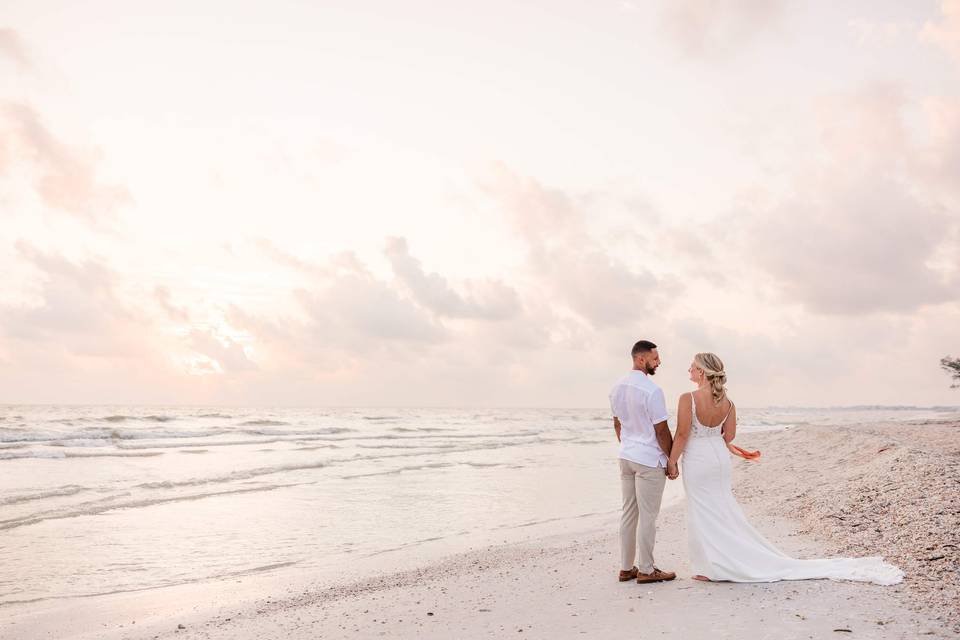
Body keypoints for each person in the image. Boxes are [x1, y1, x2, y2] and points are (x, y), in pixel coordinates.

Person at [667, 352, 903, 585]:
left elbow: (682, 433)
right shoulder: (728, 403)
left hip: (698, 459)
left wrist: (672, 461)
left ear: (701, 371)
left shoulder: (688, 398)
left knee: (702, 510)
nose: (689, 369)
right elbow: (729, 435)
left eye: (692, 366)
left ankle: (710, 565)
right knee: (722, 507)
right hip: (718, 458)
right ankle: (718, 562)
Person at [609, 340, 677, 584]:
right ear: (640, 359)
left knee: (629, 513)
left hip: (626, 457)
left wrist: (627, 445)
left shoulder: (616, 387)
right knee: (648, 516)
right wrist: (671, 459)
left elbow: (617, 423)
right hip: (648, 460)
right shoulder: (652, 390)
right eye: (655, 358)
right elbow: (661, 430)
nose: (658, 362)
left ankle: (626, 568)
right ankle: (647, 569)